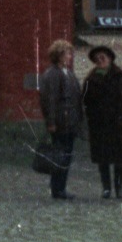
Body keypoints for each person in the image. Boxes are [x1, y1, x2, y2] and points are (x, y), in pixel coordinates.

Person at [82, 45, 122, 199]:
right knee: (103, 159)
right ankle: (106, 188)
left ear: (110, 58)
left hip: (120, 125)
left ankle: (119, 188)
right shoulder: (90, 80)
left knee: (119, 159)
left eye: (103, 57)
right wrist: (91, 119)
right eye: (97, 58)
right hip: (100, 125)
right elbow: (86, 101)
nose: (100, 60)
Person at [38, 40, 83, 201]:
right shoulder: (53, 74)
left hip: (70, 121)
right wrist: (51, 122)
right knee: (60, 156)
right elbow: (49, 100)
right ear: (59, 55)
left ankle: (60, 187)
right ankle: (57, 188)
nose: (69, 56)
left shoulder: (67, 73)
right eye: (67, 53)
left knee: (66, 155)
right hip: (60, 122)